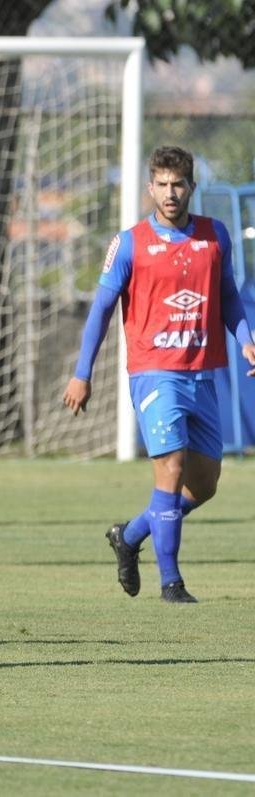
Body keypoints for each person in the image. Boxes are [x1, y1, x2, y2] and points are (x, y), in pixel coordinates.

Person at [63, 145, 255, 603]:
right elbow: (101, 309)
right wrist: (81, 373)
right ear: (150, 188)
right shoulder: (129, 243)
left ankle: (129, 536)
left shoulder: (214, 236)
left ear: (192, 187)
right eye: (163, 185)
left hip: (202, 373)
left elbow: (228, 296)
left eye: (179, 185)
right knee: (170, 469)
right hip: (154, 372)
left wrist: (245, 338)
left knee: (203, 485)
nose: (171, 193)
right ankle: (171, 583)